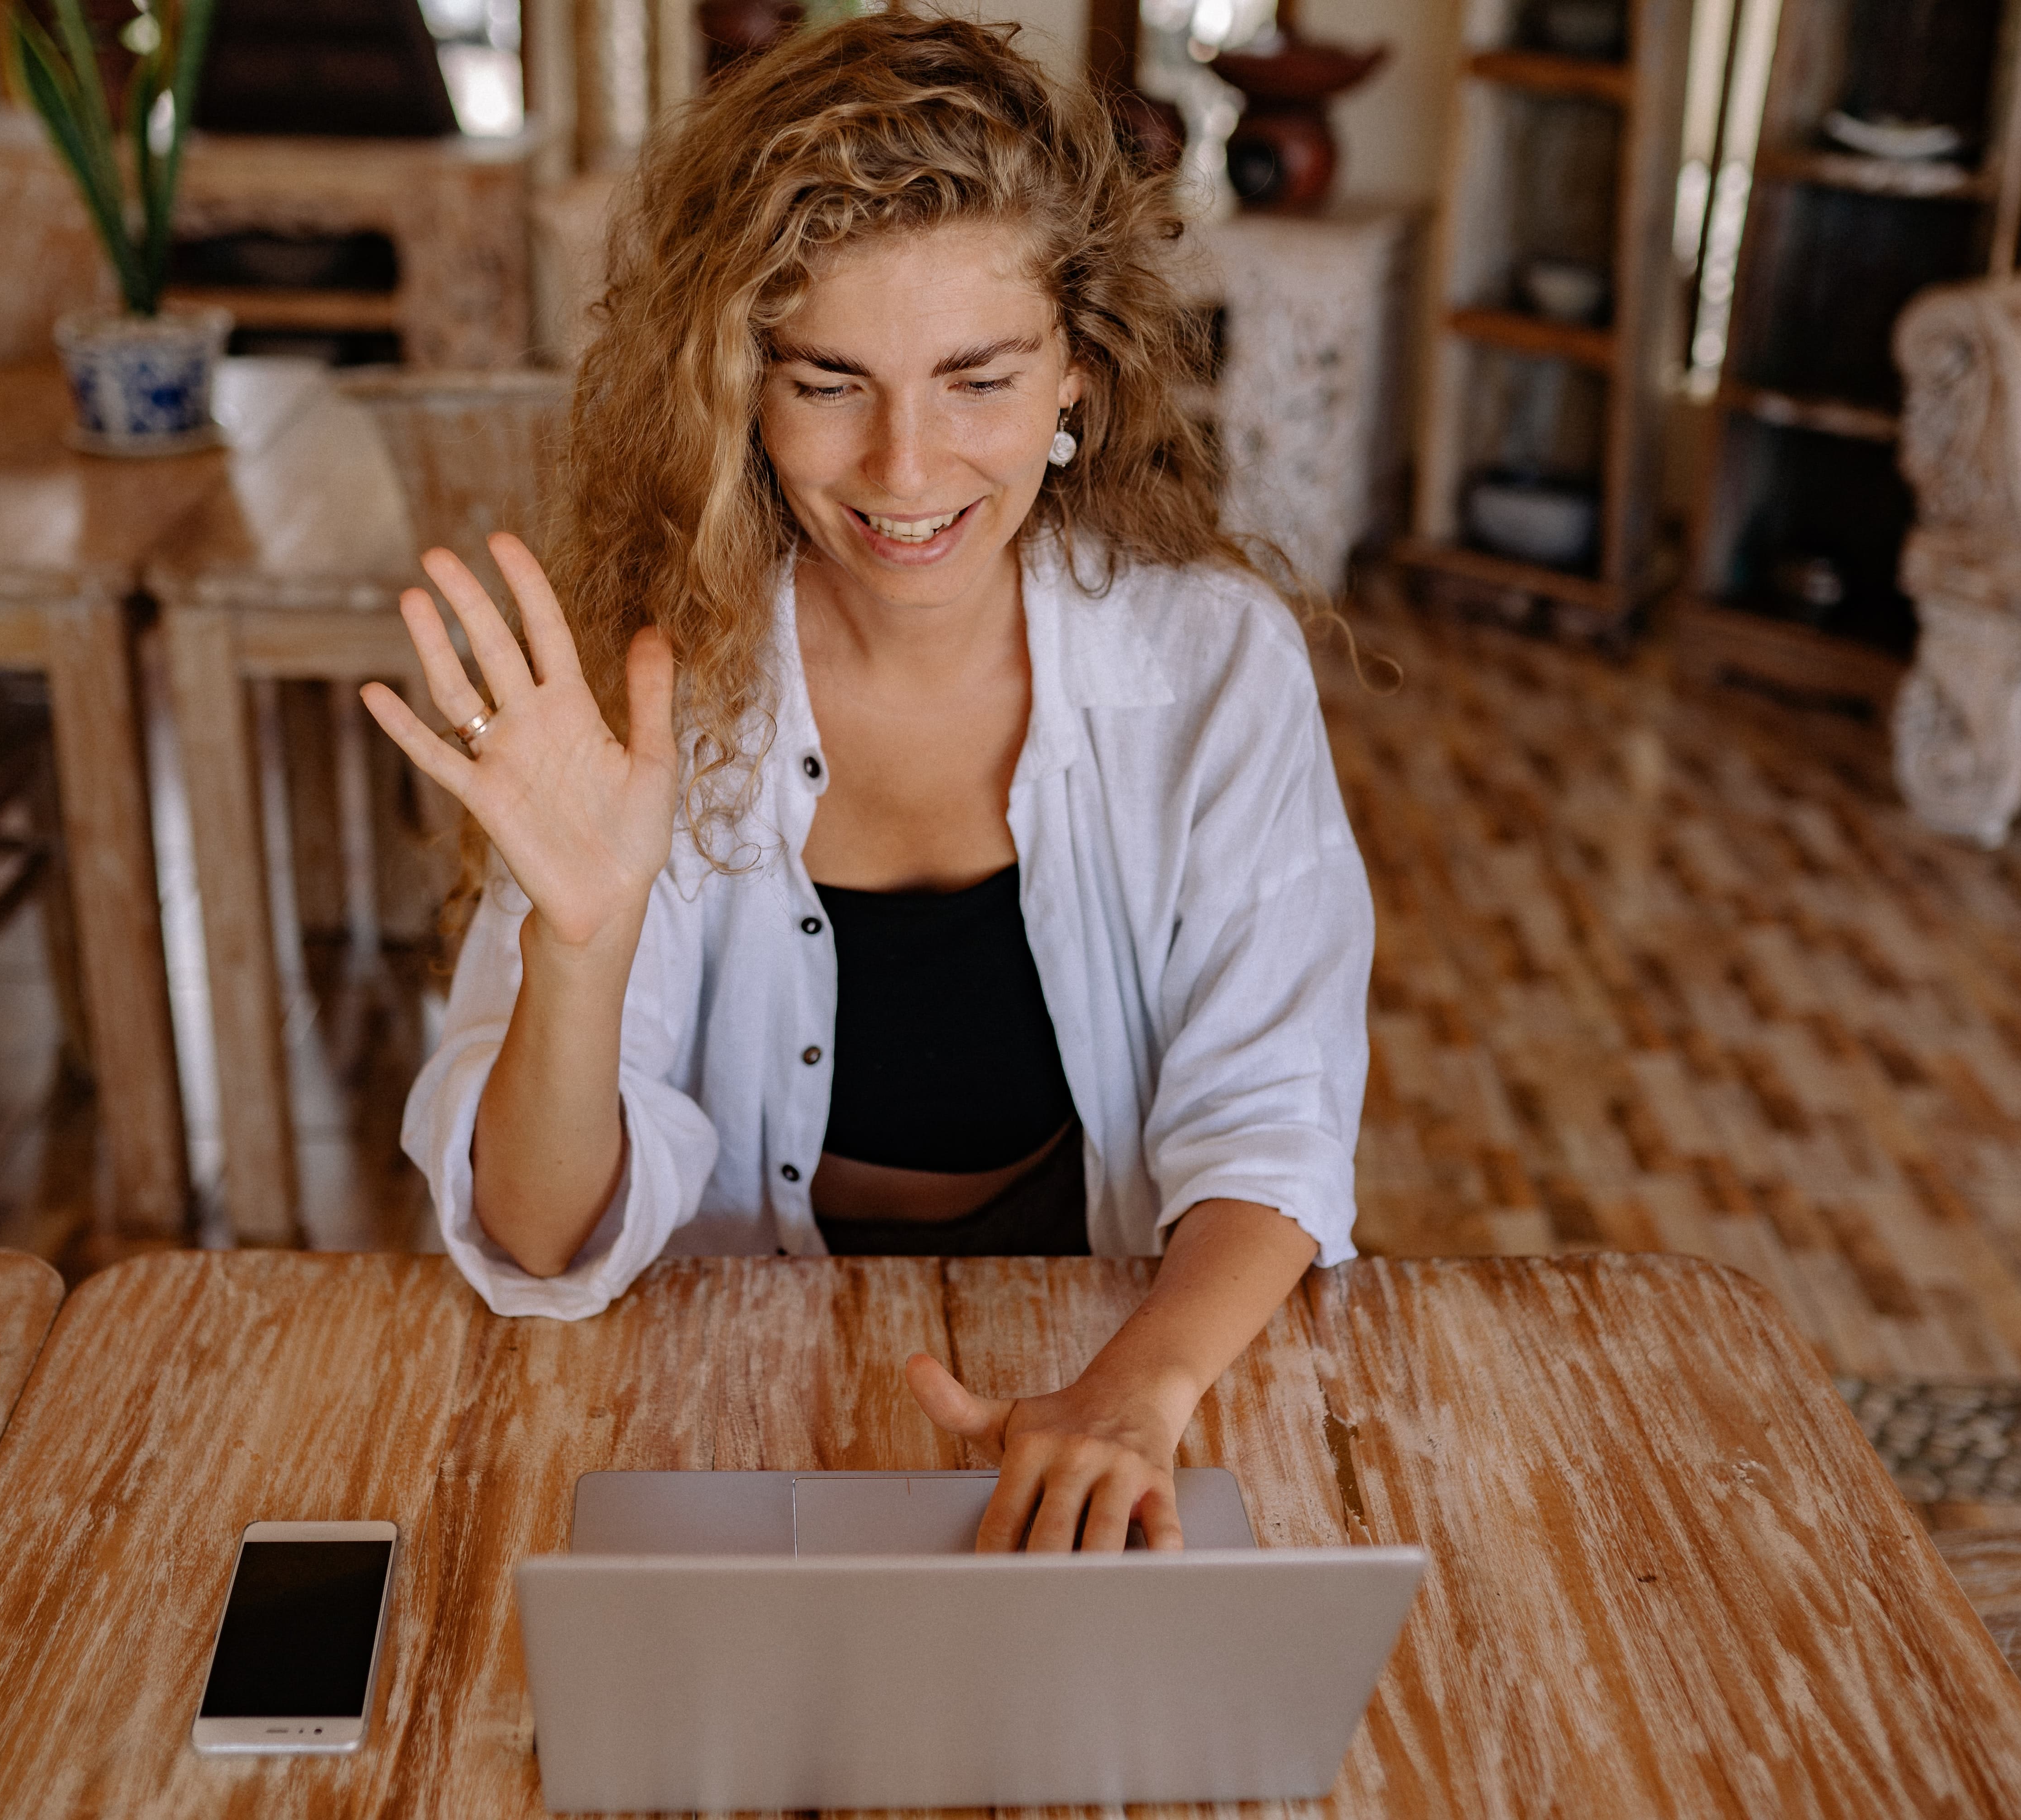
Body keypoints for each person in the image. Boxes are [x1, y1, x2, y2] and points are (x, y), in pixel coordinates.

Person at [364, 9, 1374, 1554]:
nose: (907, 471)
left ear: (1077, 380)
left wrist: (1133, 1394)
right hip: (710, 1397)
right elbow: (536, 1235)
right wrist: (582, 946)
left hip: (1111, 1350)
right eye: (830, 382)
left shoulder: (1211, 666)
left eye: (978, 378)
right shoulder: (655, 685)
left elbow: (1272, 1117)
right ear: (742, 396)